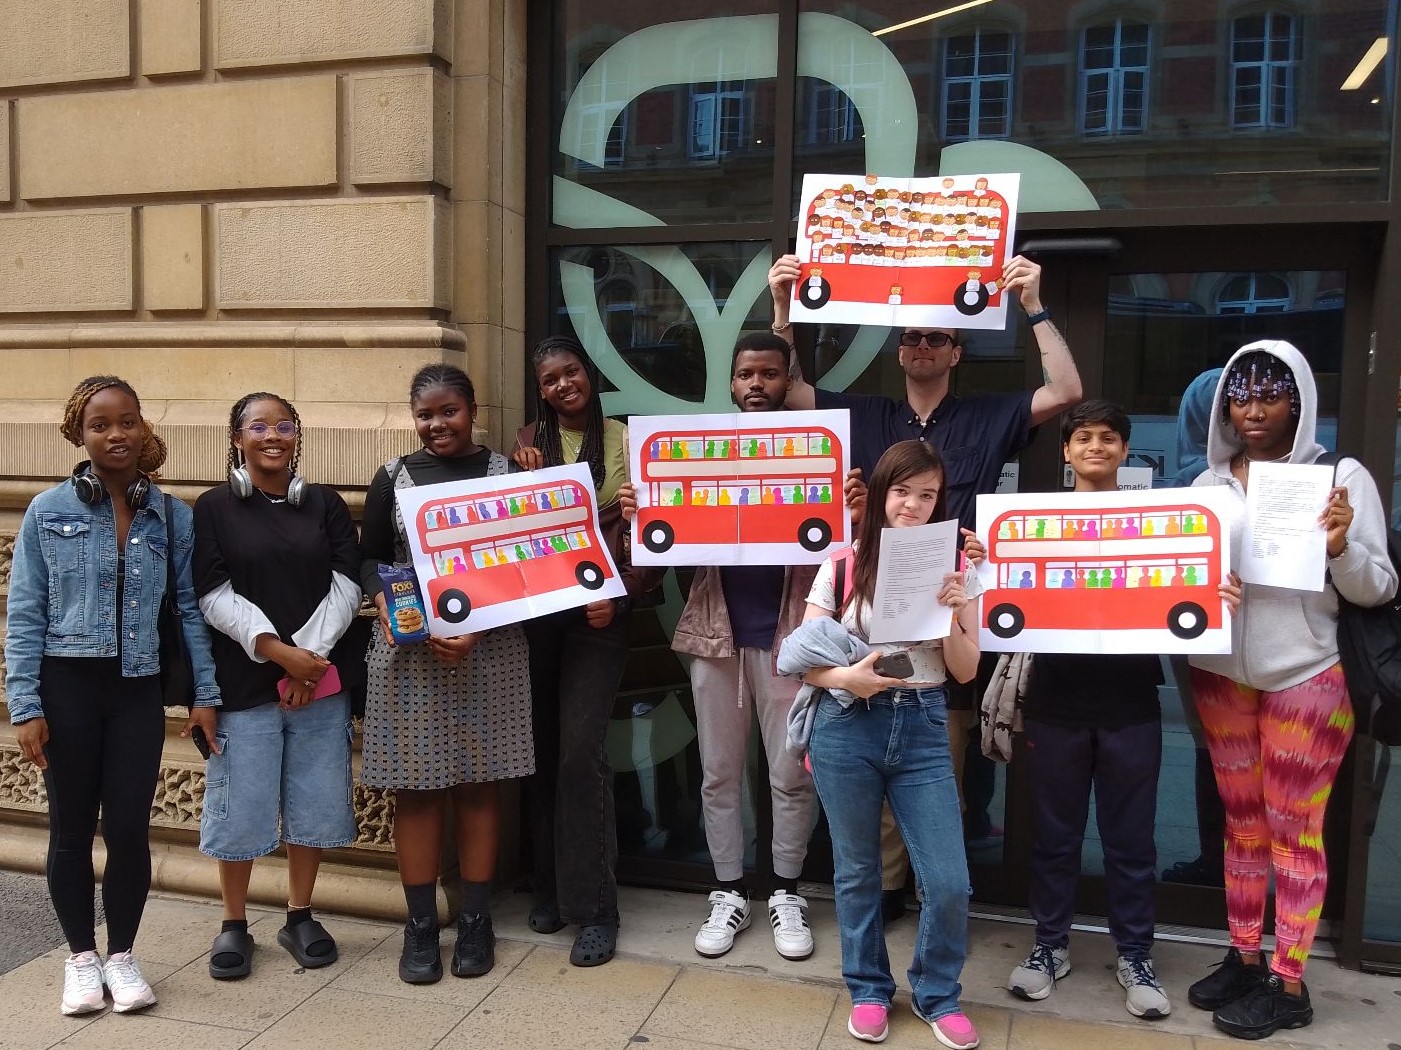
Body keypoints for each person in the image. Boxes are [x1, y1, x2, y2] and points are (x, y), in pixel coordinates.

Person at [768, 251, 1084, 916]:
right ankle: (887, 892)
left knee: (946, 761)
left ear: (956, 351)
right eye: (910, 336)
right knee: (879, 752)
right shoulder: (867, 413)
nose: (920, 345)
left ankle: (935, 890)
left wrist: (1032, 305)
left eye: (935, 337)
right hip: (874, 612)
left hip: (950, 603)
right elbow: (788, 393)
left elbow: (1065, 392)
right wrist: (781, 309)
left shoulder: (987, 416)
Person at [618, 332, 862, 962]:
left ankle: (786, 890)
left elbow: (849, 554)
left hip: (792, 639)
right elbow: (662, 553)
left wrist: (855, 514)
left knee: (790, 774)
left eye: (769, 374)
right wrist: (642, 512)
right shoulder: (700, 452)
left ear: (788, 381)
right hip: (716, 637)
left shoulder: (819, 453)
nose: (757, 384)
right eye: (746, 374)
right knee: (719, 773)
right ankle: (727, 890)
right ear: (731, 382)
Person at [1186, 340, 1397, 1040]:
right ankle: (1246, 955)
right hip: (1221, 674)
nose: (1253, 409)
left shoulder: (1339, 477)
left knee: (1294, 829)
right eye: (1240, 395)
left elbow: (1378, 587)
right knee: (1241, 825)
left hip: (1307, 672)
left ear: (1299, 400)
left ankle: (1289, 981)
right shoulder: (1206, 484)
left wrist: (1339, 547)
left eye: (1270, 395)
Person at [1004, 399, 1242, 1019]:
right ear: (1065, 451)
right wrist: (982, 569)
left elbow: (1191, 587)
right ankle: (1049, 946)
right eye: (1083, 437)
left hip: (1132, 703)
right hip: (1056, 701)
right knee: (1054, 838)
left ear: (1125, 450)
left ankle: (1135, 954)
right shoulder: (1033, 523)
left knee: (1131, 842)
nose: (1096, 447)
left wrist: (1217, 595)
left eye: (1109, 437)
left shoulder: (1156, 521)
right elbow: (1001, 603)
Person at [5, 376, 220, 1015]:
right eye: (100, 425)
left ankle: (121, 956)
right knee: (70, 828)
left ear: (142, 427)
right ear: (80, 434)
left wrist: (204, 693)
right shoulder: (48, 510)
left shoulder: (171, 515)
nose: (116, 434)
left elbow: (188, 610)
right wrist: (25, 705)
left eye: (127, 421)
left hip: (137, 691)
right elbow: (25, 611)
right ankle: (80, 959)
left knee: (128, 828)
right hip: (66, 687)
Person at [781, 440, 981, 1049]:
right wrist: (850, 678)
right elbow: (802, 656)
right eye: (901, 491)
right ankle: (868, 988)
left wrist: (955, 613)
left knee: (948, 879)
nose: (913, 505)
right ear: (880, 495)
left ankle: (936, 993)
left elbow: (966, 669)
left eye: (927, 495)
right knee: (857, 870)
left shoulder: (958, 569)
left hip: (922, 722)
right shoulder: (842, 563)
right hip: (848, 722)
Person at [359, 363, 534, 984]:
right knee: (416, 789)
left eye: (449, 412)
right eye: (425, 415)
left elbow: (527, 562)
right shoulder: (392, 477)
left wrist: (477, 626)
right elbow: (370, 558)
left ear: (473, 411)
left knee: (480, 785)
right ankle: (420, 925)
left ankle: (477, 921)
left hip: (491, 648)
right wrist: (388, 606)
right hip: (413, 652)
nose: (437, 424)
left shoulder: (507, 475)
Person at [192, 392, 361, 979]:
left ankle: (299, 914)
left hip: (319, 682)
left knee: (314, 798)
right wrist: (278, 653)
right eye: (258, 426)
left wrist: (309, 660)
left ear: (297, 437)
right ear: (236, 437)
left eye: (284, 426)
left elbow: (347, 584)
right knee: (240, 803)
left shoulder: (325, 504)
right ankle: (233, 923)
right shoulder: (213, 508)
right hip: (244, 683)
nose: (272, 436)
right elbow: (212, 593)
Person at [512, 335, 658, 967]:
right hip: (539, 619)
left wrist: (619, 598)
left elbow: (655, 535)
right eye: (549, 379)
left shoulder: (630, 441)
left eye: (570, 372)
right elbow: (513, 534)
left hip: (600, 618)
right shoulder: (527, 444)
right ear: (540, 391)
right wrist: (519, 484)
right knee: (542, 753)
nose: (562, 385)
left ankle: (596, 909)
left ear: (589, 373)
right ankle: (548, 886)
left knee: (579, 754)